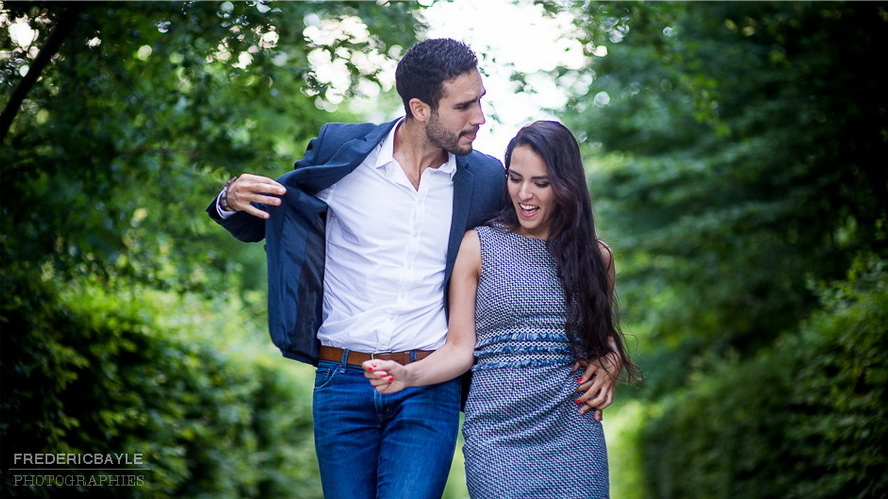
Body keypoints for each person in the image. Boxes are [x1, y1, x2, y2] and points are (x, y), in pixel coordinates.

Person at [206, 38, 507, 498]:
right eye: (465, 106)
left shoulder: (486, 179)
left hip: (428, 384)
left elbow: (541, 251)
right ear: (420, 108)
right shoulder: (341, 148)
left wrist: (598, 343)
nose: (479, 118)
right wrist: (230, 197)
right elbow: (268, 217)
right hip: (339, 380)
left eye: (480, 101)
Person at [363, 120, 639, 498]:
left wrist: (610, 357)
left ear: (567, 184)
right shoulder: (477, 246)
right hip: (496, 435)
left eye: (541, 183)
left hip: (574, 430)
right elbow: (461, 349)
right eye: (515, 178)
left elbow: (599, 333)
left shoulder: (596, 256)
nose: (524, 194)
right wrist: (408, 376)